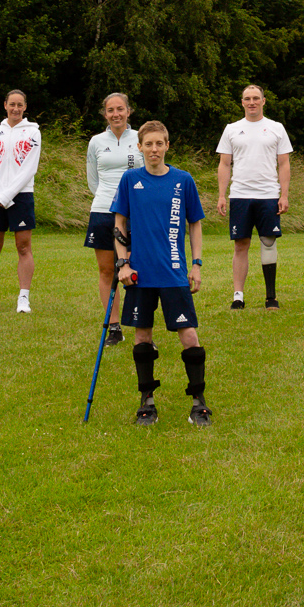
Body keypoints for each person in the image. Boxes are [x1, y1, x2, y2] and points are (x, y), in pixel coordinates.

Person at [112, 121, 211, 425]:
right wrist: (122, 264)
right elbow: (119, 223)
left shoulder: (183, 180)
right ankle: (147, 401)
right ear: (139, 147)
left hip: (174, 273)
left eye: (159, 143)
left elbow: (195, 222)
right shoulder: (130, 180)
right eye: (148, 144)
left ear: (168, 145)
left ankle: (198, 401)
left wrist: (196, 263)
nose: (154, 149)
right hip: (140, 274)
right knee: (142, 336)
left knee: (189, 336)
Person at [215, 85, 292, 310]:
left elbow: (284, 163)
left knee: (268, 241)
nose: (252, 102)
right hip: (240, 195)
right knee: (241, 244)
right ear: (242, 102)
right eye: (247, 99)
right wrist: (222, 195)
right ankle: (238, 296)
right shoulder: (231, 129)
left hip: (268, 195)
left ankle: (271, 297)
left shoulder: (276, 128)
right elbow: (224, 163)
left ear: (263, 101)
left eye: (256, 98)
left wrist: (284, 194)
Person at [85, 91, 143, 347]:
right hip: (103, 210)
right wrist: (110, 200)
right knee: (108, 270)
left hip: (136, 212)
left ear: (128, 111)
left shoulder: (140, 137)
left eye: (120, 109)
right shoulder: (96, 141)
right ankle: (115, 326)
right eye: (111, 110)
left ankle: (141, 326)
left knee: (133, 270)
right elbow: (93, 180)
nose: (116, 114)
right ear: (105, 113)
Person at [0, 90, 40, 314]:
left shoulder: (33, 133)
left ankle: (23, 298)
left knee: (23, 246)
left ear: (24, 107)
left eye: (19, 105)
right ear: (5, 105)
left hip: (21, 196)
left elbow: (29, 168)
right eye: (11, 104)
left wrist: (8, 195)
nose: (15, 108)